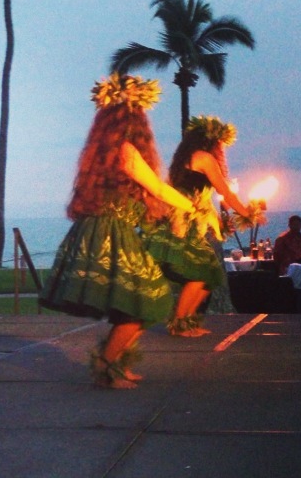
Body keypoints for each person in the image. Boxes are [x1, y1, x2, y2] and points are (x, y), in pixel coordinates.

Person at [39, 74, 197, 389]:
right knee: (147, 301)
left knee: (142, 301)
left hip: (105, 232)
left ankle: (113, 361)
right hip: (110, 235)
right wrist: (191, 207)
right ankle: (108, 366)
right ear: (135, 121)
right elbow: (157, 187)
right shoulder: (127, 150)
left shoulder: (105, 155)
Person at [144, 115, 261, 337]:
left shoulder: (185, 159)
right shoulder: (204, 158)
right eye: (221, 143)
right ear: (212, 140)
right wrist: (248, 213)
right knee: (200, 276)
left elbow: (206, 196)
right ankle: (179, 323)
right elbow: (224, 191)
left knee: (210, 277)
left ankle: (186, 321)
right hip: (189, 224)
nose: (222, 148)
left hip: (191, 220)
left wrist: (220, 221)